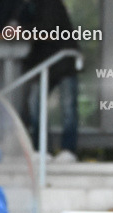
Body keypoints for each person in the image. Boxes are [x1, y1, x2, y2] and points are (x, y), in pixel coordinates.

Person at [17, 0, 80, 161]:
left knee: (68, 108)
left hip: (63, 62)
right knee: (35, 105)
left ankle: (68, 151)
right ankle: (42, 149)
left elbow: (48, 29)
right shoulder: (26, 7)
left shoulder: (51, 4)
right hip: (43, 64)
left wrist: (23, 30)